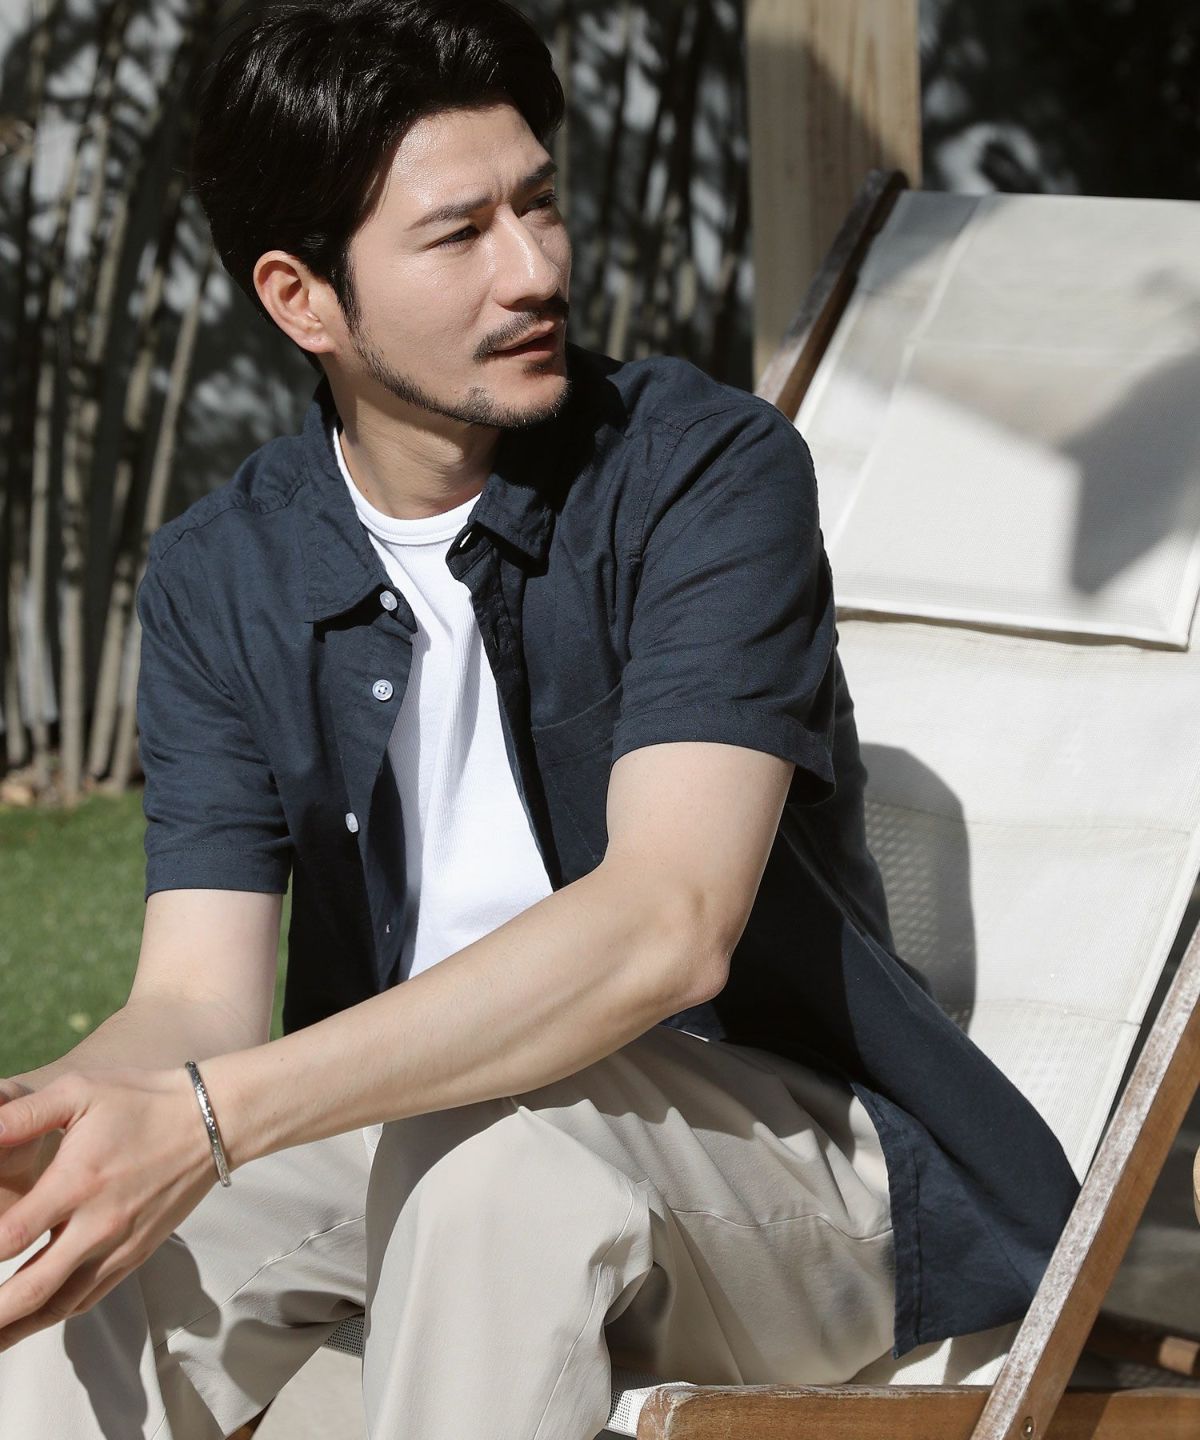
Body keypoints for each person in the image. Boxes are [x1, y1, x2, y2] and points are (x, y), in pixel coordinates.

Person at [0, 2, 1079, 1436]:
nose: (536, 269)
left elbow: (665, 925)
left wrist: (212, 1116)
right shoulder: (224, 571)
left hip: (784, 1171)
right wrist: (51, 1127)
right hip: (409, 1128)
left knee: (492, 1173)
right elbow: (194, 1002)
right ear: (302, 299)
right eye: (460, 235)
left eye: (540, 204)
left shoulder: (702, 476)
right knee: (69, 1240)